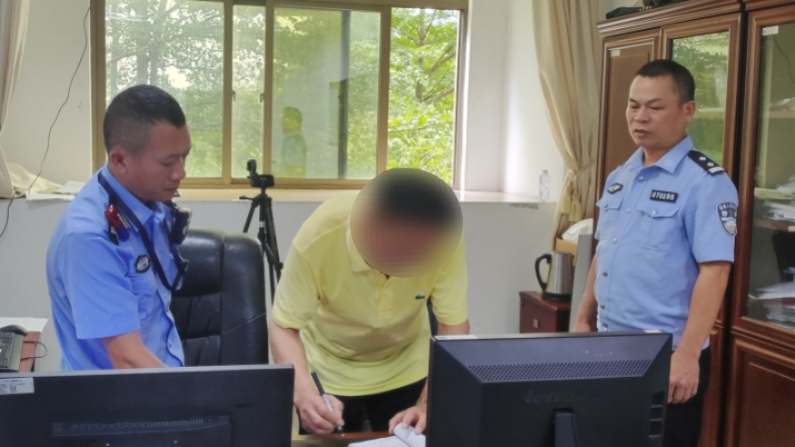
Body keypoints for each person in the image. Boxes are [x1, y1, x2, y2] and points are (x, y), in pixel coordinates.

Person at [573, 59, 738, 447]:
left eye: (655, 107)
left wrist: (688, 355)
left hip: (665, 354)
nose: (640, 117)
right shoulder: (620, 177)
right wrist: (582, 318)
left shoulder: (706, 183)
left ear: (687, 111)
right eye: (633, 105)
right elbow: (605, 251)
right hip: (607, 345)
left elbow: (715, 272)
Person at [269, 168, 468, 436]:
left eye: (416, 250)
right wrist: (304, 394)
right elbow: (284, 326)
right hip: (331, 371)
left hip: (408, 366)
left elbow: (453, 326)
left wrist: (428, 402)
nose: (406, 259)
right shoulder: (319, 236)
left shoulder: (441, 238)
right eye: (397, 247)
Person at [46, 84, 192, 371]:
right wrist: (195, 394)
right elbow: (127, 359)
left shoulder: (148, 202)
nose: (180, 172)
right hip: (122, 395)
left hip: (160, 378)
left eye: (184, 156)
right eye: (167, 162)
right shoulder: (88, 238)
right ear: (120, 160)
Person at [280, 106, 308, 178]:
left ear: (294, 122)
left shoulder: (292, 141)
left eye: (285, 119)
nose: (282, 122)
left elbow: (293, 171)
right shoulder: (291, 139)